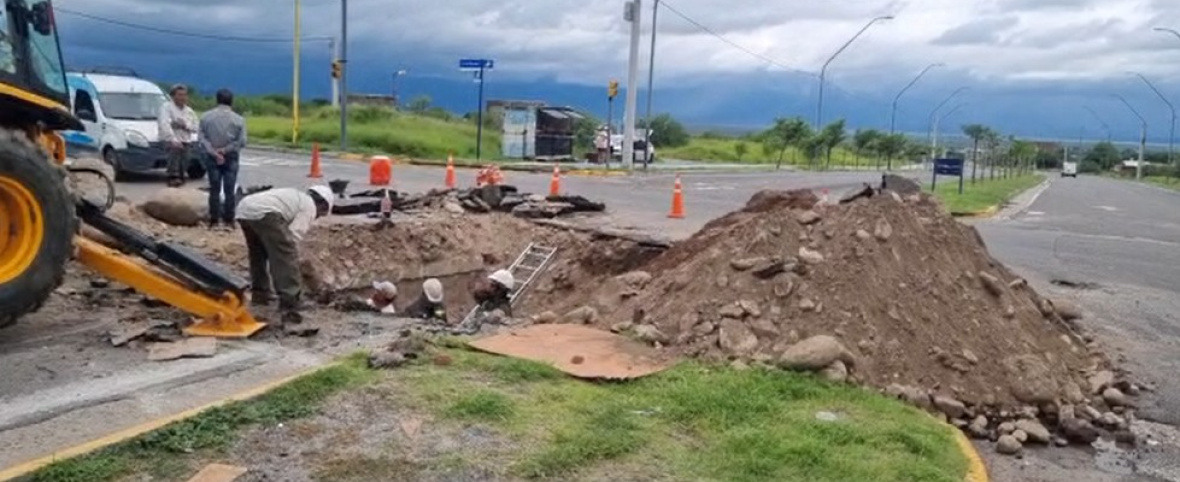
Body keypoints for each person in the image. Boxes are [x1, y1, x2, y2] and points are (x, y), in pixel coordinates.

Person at [235, 185, 334, 319]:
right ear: (322, 204)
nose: (317, 216)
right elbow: (293, 237)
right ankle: (290, 299)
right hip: (265, 213)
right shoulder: (309, 206)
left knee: (258, 254)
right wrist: (293, 257)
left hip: (244, 209)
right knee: (285, 254)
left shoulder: (296, 197)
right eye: (321, 213)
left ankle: (260, 294)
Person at [198, 89, 247, 231]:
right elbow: (242, 141)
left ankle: (213, 221)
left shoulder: (206, 117)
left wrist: (214, 151)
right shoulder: (239, 119)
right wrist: (225, 150)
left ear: (217, 100)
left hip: (212, 156)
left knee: (214, 189)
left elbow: (201, 138)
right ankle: (229, 221)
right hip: (230, 157)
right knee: (229, 189)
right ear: (231, 101)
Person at [158, 84, 199, 187]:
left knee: (186, 159)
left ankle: (181, 176)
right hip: (171, 140)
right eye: (179, 95)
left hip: (186, 139)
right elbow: (164, 124)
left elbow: (196, 127)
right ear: (173, 96)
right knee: (174, 154)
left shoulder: (189, 111)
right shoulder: (166, 108)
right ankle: (172, 177)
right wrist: (173, 139)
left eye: (184, 95)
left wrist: (185, 125)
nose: (183, 98)